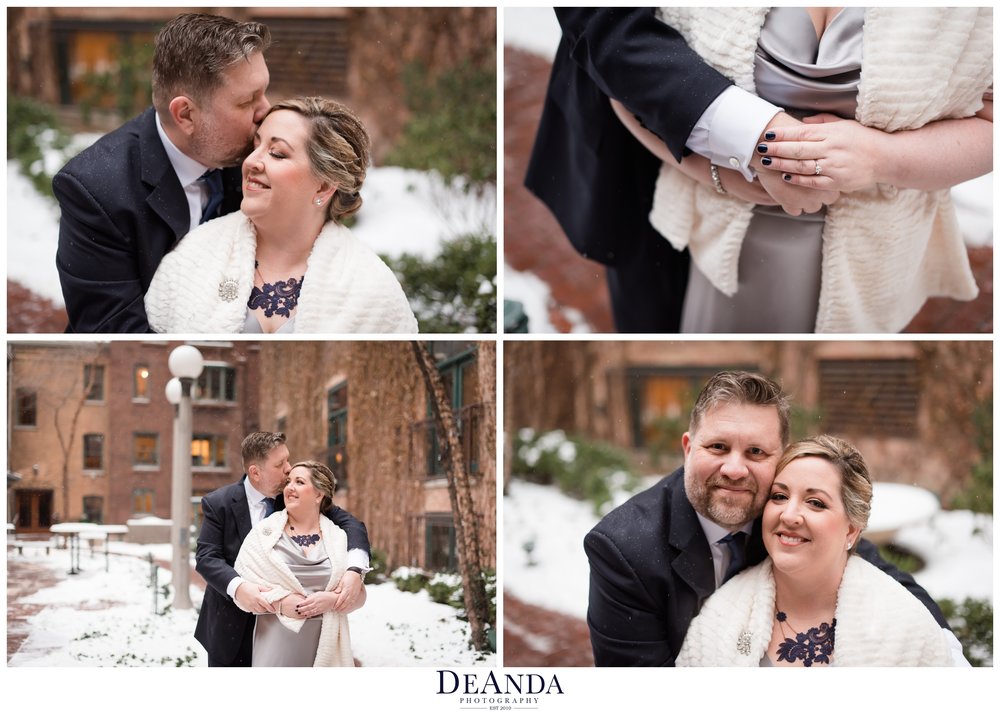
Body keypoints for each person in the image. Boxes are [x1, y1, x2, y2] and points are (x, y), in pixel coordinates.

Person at [613, 7, 992, 332]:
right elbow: (625, 78)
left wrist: (883, 157)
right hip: (719, 241)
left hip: (876, 255)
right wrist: (718, 174)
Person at [583, 370, 957, 666]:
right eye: (717, 446)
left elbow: (857, 562)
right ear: (687, 448)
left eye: (756, 452)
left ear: (779, 459)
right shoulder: (624, 548)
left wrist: (941, 654)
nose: (734, 469)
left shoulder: (779, 508)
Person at [524, 8, 832, 332]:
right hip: (644, 166)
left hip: (868, 239)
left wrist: (882, 155)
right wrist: (747, 142)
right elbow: (600, 18)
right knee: (656, 326)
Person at [54, 13, 272, 333]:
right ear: (185, 114)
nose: (266, 110)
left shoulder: (257, 152)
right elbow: (114, 331)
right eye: (247, 101)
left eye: (264, 90)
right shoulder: (96, 190)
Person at [144, 97, 418, 333]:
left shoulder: (373, 289)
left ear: (323, 186)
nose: (251, 162)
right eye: (256, 146)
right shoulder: (192, 258)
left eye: (277, 153)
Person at [676, 436, 955, 666]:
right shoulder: (719, 618)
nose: (789, 515)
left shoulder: (905, 625)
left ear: (851, 530)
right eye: (780, 496)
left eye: (815, 503)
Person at [195, 432, 371, 667]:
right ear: (256, 472)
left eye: (288, 460)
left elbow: (352, 525)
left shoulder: (293, 497)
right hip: (231, 627)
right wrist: (240, 588)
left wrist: (354, 569)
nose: (289, 470)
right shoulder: (219, 503)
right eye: (280, 464)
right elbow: (207, 557)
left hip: (291, 635)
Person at [234, 461, 358, 666]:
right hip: (275, 643)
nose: (289, 487)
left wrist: (332, 601)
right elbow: (244, 593)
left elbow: (358, 595)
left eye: (299, 482)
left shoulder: (339, 538)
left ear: (319, 495)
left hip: (325, 644)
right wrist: (280, 603)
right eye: (288, 481)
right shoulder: (264, 534)